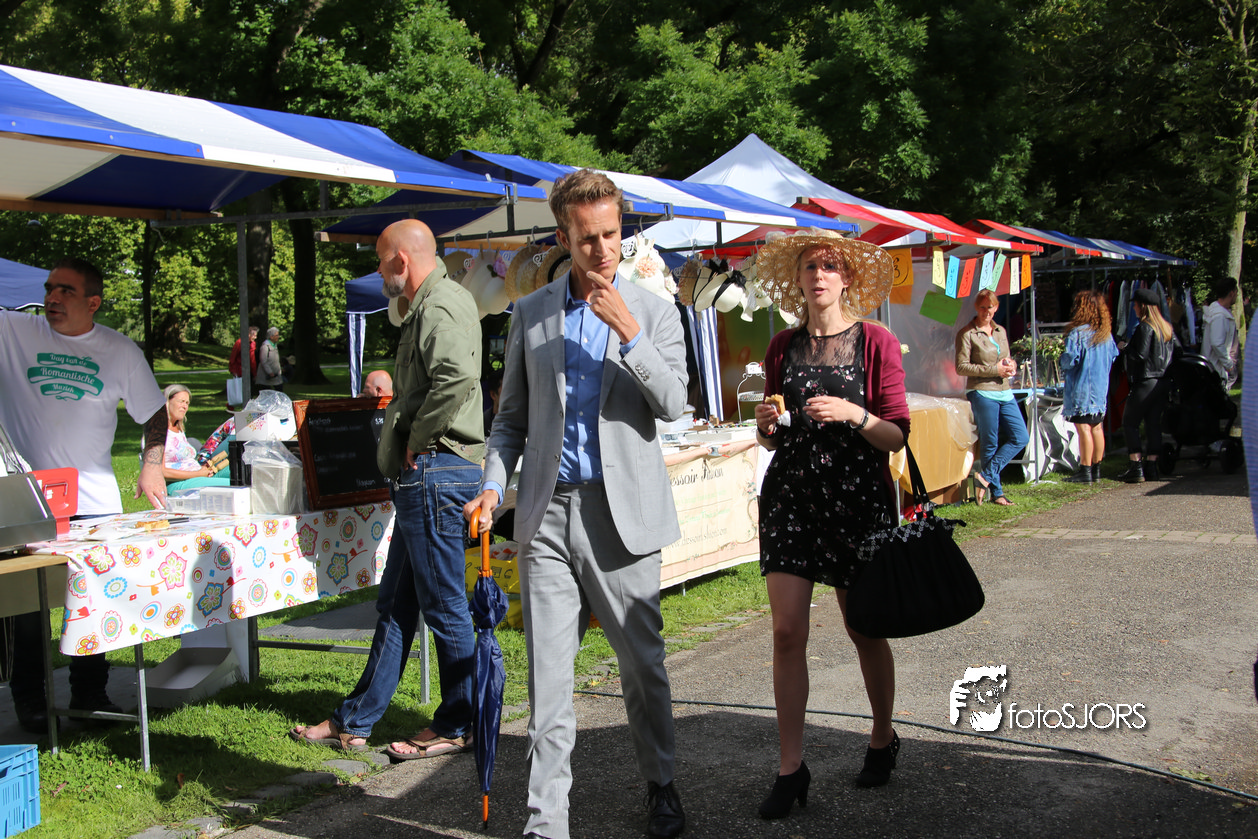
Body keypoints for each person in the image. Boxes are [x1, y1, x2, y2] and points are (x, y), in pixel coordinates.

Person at [464, 169, 689, 839]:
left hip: (622, 518)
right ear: (563, 237)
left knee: (642, 664)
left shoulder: (655, 311)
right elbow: (510, 421)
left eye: (612, 235)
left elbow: (674, 404)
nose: (603, 250)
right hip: (547, 515)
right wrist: (493, 484)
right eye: (588, 238)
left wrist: (630, 333)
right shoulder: (531, 313)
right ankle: (546, 821)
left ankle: (662, 783)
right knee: (548, 680)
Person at [289, 219, 484, 760]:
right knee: (396, 606)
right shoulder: (429, 304)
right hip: (428, 474)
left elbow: (457, 378)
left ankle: (459, 723)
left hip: (436, 471)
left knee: (444, 607)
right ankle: (354, 720)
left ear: (401, 259)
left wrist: (416, 440)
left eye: (380, 260)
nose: (379, 272)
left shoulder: (440, 304)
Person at [752, 229, 909, 819]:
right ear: (797, 280)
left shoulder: (876, 342)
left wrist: (854, 413)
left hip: (856, 499)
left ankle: (882, 735)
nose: (819, 275)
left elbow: (896, 434)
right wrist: (766, 424)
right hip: (792, 498)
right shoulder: (781, 346)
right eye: (809, 266)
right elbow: (773, 437)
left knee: (863, 627)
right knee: (786, 631)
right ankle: (791, 768)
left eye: (830, 266)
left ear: (846, 279)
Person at [0, 257, 168, 732]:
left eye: (66, 291)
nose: (51, 298)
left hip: (93, 501)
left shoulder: (119, 350)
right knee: (27, 606)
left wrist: (152, 466)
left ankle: (90, 696)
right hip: (27, 500)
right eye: (50, 288)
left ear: (93, 303)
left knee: (93, 601)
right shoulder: (13, 331)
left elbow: (154, 413)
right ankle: (31, 701)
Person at [955, 289, 1028, 506]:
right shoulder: (967, 333)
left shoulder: (1000, 331)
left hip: (1004, 390)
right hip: (982, 390)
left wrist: (1011, 365)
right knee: (990, 442)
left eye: (990, 307)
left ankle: (985, 476)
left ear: (996, 308)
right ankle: (997, 493)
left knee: (1021, 436)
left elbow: (1005, 357)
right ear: (976, 308)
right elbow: (961, 367)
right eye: (982, 307)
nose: (987, 312)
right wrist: (994, 370)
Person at [1060, 290, 1119, 483]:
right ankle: (1096, 469)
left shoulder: (1078, 334)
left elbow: (1069, 360)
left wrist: (1061, 358)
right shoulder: (1105, 335)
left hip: (1082, 387)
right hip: (1100, 387)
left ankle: (1085, 470)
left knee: (1083, 427)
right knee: (1097, 427)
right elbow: (1113, 356)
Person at [1119, 288, 1175, 482]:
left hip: (1146, 380)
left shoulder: (1145, 327)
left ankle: (1136, 466)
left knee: (1130, 422)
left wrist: (1125, 348)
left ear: (1142, 306)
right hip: (1163, 381)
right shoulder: (1166, 328)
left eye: (1135, 304)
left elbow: (1140, 355)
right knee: (1153, 423)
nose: (1134, 308)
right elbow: (1177, 352)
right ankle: (1152, 466)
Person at [160, 384, 230, 492]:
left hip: (198, 475)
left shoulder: (178, 430)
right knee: (236, 484)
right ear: (167, 402)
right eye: (181, 401)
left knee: (246, 472)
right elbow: (160, 471)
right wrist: (198, 473)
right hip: (177, 484)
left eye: (187, 403)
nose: (185, 406)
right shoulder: (159, 432)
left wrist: (203, 470)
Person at [1201, 277, 1240, 389]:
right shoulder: (1219, 316)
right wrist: (1229, 365)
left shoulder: (1218, 312)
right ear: (1232, 293)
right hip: (1216, 371)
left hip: (1214, 370)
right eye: (1236, 292)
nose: (1237, 295)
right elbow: (1216, 343)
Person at [256, 326, 284, 392]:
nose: (278, 337)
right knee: (267, 392)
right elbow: (263, 361)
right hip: (267, 375)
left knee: (280, 390)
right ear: (271, 337)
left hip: (276, 375)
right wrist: (269, 372)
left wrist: (279, 371)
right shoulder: (265, 346)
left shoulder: (275, 345)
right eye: (276, 335)